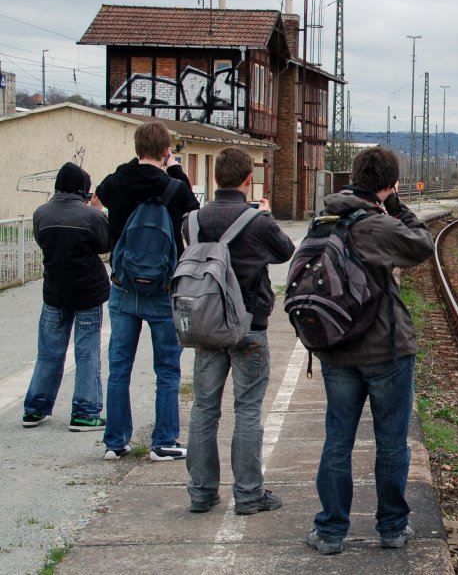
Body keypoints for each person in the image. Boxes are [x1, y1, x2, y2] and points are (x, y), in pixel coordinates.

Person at [305, 147, 434, 555]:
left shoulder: (323, 219)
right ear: (388, 183)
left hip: (336, 348)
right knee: (392, 443)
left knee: (337, 441)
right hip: (386, 351)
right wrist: (395, 204)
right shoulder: (377, 225)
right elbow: (422, 244)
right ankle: (392, 528)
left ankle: (330, 532)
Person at [184, 146, 295, 515]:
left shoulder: (193, 221)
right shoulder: (257, 221)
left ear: (216, 178)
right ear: (250, 179)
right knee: (247, 410)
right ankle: (248, 495)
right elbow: (284, 251)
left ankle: (201, 492)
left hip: (207, 325)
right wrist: (264, 214)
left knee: (203, 409)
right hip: (249, 326)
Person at [96, 122, 200, 461]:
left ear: (137, 147)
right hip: (162, 287)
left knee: (119, 367)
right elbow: (193, 214)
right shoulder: (173, 187)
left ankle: (115, 442)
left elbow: (100, 199)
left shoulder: (116, 182)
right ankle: (165, 441)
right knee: (167, 368)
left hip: (123, 286)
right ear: (166, 150)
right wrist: (177, 170)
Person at [23, 163, 111, 431]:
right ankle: (85, 412)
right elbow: (106, 245)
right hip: (87, 292)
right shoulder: (91, 218)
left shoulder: (41, 214)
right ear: (83, 190)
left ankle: (35, 409)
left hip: (54, 292)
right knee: (87, 352)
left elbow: (42, 241)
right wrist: (96, 211)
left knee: (49, 352)